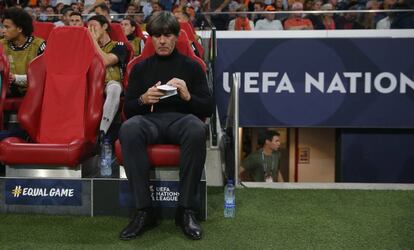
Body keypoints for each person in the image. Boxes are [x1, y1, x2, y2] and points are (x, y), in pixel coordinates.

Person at [118, 11, 214, 240]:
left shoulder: (193, 67)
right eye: (157, 36)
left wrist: (188, 96)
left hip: (181, 121)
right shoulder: (139, 68)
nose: (162, 40)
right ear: (150, 38)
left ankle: (185, 210)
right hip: (149, 121)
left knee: (196, 128)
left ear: (176, 37)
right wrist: (143, 99)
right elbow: (128, 110)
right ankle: (144, 210)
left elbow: (207, 108)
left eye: (167, 35)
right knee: (129, 128)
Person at [88, 15, 127, 140]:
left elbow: (105, 61)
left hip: (110, 83)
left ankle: (102, 132)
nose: (90, 30)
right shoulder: (86, 47)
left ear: (104, 26)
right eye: (88, 27)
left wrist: (93, 41)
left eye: (93, 26)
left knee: (114, 87)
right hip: (90, 84)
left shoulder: (119, 45)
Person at [0, 7, 46, 98]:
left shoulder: (40, 45)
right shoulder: (1, 44)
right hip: (8, 90)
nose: (3, 31)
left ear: (19, 29)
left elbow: (43, 76)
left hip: (34, 92)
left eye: (7, 27)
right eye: (2, 27)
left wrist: (16, 78)